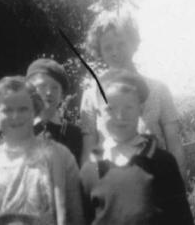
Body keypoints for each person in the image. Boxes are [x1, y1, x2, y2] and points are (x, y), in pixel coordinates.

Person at [0, 76, 84, 225]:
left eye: (23, 109)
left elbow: (76, 218)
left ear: (34, 110)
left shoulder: (60, 157)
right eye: (7, 110)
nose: (15, 116)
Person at [80, 11, 186, 177]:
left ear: (133, 43)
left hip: (157, 179)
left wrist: (180, 185)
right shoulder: (92, 94)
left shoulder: (159, 89)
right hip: (111, 183)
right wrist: (91, 188)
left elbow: (174, 143)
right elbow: (91, 149)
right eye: (108, 47)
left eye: (121, 44)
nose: (115, 52)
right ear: (100, 52)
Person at [80, 71, 194, 225]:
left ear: (140, 111)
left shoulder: (162, 161)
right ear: (100, 112)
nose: (120, 116)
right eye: (110, 109)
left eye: (128, 107)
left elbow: (181, 218)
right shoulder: (90, 169)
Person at [26, 58, 83, 166]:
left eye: (55, 88)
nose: (48, 92)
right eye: (42, 86)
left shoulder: (76, 135)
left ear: (61, 95)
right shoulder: (19, 130)